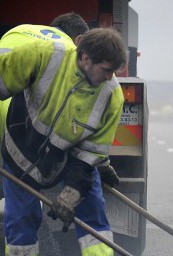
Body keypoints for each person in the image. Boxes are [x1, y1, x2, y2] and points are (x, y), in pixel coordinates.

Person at [0, 23, 126, 256]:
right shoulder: (43, 55)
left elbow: (90, 154)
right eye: (106, 69)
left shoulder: (112, 95)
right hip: (20, 149)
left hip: (68, 156)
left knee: (92, 218)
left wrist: (73, 192)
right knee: (20, 225)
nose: (110, 77)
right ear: (86, 58)